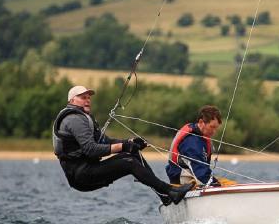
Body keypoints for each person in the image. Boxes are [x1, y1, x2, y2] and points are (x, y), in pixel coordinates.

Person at [53, 85, 193, 205]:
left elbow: (104, 142)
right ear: (72, 100)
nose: (88, 100)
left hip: (88, 169)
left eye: (89, 97)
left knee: (133, 154)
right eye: (83, 97)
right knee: (129, 162)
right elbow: (91, 150)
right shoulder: (74, 120)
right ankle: (170, 191)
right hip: (81, 176)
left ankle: (165, 196)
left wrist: (129, 143)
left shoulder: (83, 117)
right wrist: (123, 147)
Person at [166, 105, 223, 186]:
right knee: (218, 184)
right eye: (212, 127)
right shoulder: (192, 142)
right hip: (183, 183)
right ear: (201, 122)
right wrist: (215, 184)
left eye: (216, 128)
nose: (214, 131)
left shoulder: (200, 135)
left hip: (195, 177)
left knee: (226, 182)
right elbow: (200, 173)